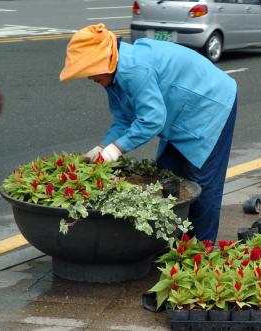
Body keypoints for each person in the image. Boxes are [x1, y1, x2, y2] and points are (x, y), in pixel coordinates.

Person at [59, 24, 238, 242]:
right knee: (168, 175)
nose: (87, 77)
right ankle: (171, 243)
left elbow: (152, 119)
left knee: (202, 182)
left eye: (87, 69)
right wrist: (103, 147)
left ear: (102, 60)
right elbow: (125, 118)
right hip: (181, 111)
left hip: (211, 105)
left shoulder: (133, 69)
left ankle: (202, 250)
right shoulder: (112, 74)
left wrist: (116, 149)